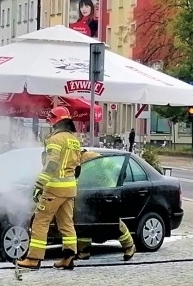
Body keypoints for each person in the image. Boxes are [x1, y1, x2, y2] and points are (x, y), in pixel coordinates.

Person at [17, 107, 134, 269]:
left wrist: (39, 185)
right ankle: (68, 257)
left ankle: (33, 259)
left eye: (52, 122)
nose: (51, 125)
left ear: (56, 122)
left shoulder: (55, 140)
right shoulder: (74, 140)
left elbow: (51, 164)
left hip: (54, 188)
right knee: (66, 223)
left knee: (40, 221)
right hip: (70, 188)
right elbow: (79, 162)